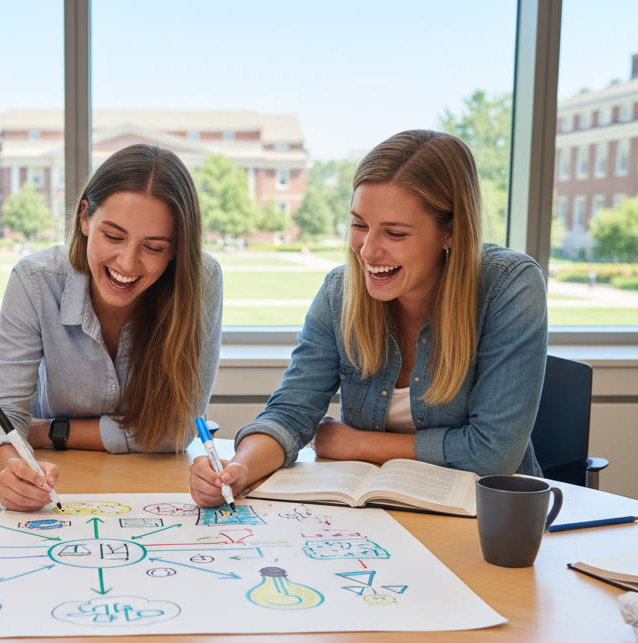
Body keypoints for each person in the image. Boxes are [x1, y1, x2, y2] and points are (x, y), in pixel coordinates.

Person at [191, 129, 547, 508]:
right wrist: (239, 469)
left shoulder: (510, 287)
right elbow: (292, 412)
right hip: (372, 520)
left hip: (488, 519)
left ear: (451, 232)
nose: (367, 250)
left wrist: (358, 443)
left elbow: (492, 454)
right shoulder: (340, 292)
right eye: (360, 225)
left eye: (395, 233)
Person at [0, 143, 223, 512]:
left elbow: (175, 431)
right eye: (114, 236)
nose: (127, 262)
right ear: (85, 217)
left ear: (176, 249)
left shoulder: (202, 279)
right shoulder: (35, 279)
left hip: (155, 489)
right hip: (59, 487)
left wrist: (49, 431)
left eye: (153, 247)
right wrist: (11, 468)